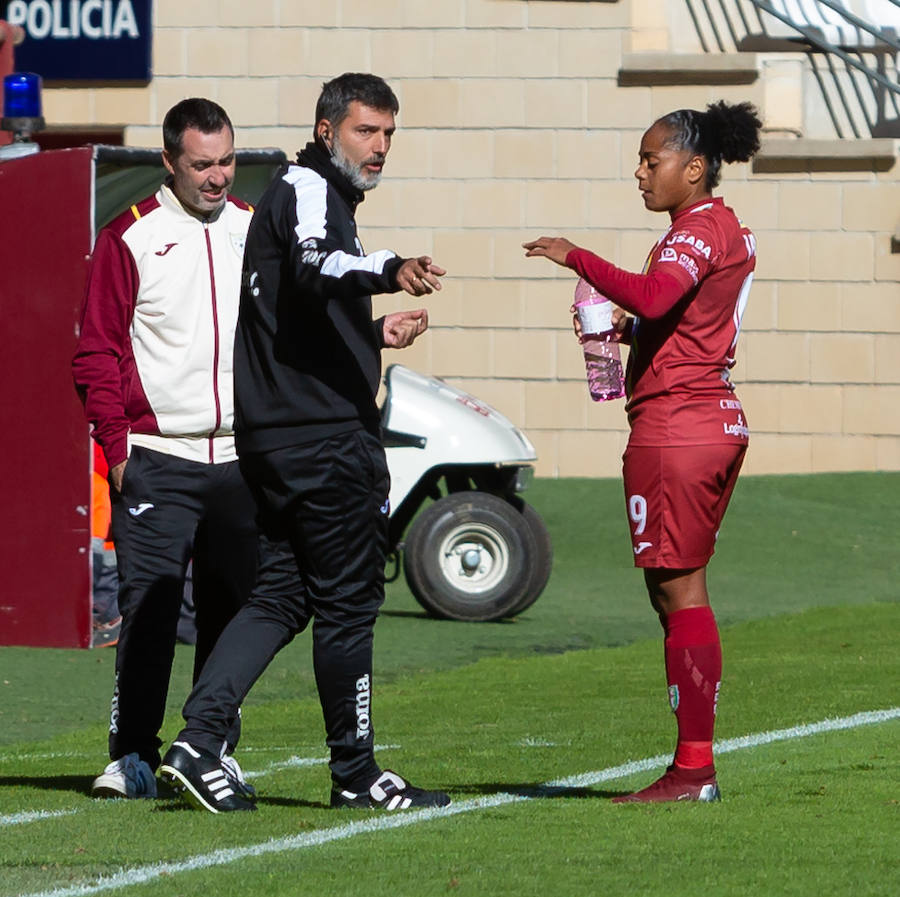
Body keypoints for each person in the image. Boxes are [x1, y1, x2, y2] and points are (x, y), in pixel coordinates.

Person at [159, 73, 450, 813]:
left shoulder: (302, 195)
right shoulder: (310, 186)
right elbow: (320, 266)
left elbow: (297, 306)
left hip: (280, 439)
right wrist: (389, 269)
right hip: (322, 444)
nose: (379, 147)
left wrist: (370, 330)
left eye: (388, 133)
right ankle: (356, 771)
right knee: (349, 603)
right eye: (365, 131)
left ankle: (198, 738)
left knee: (284, 595)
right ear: (327, 132)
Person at [524, 101, 762, 803]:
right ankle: (694, 765)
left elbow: (660, 297)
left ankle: (693, 770)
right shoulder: (715, 229)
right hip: (705, 415)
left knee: (678, 592)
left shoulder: (698, 230)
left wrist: (580, 259)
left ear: (693, 168)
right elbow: (680, 319)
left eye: (651, 160)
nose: (640, 172)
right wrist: (625, 334)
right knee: (677, 590)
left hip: (679, 427)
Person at [72, 98, 259, 800]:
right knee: (147, 609)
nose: (217, 177)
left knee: (232, 612)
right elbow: (95, 351)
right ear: (169, 162)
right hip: (155, 454)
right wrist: (118, 448)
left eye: (226, 161)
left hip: (241, 459)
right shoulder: (129, 237)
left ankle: (211, 748)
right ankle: (132, 754)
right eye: (202, 164)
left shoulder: (252, 227)